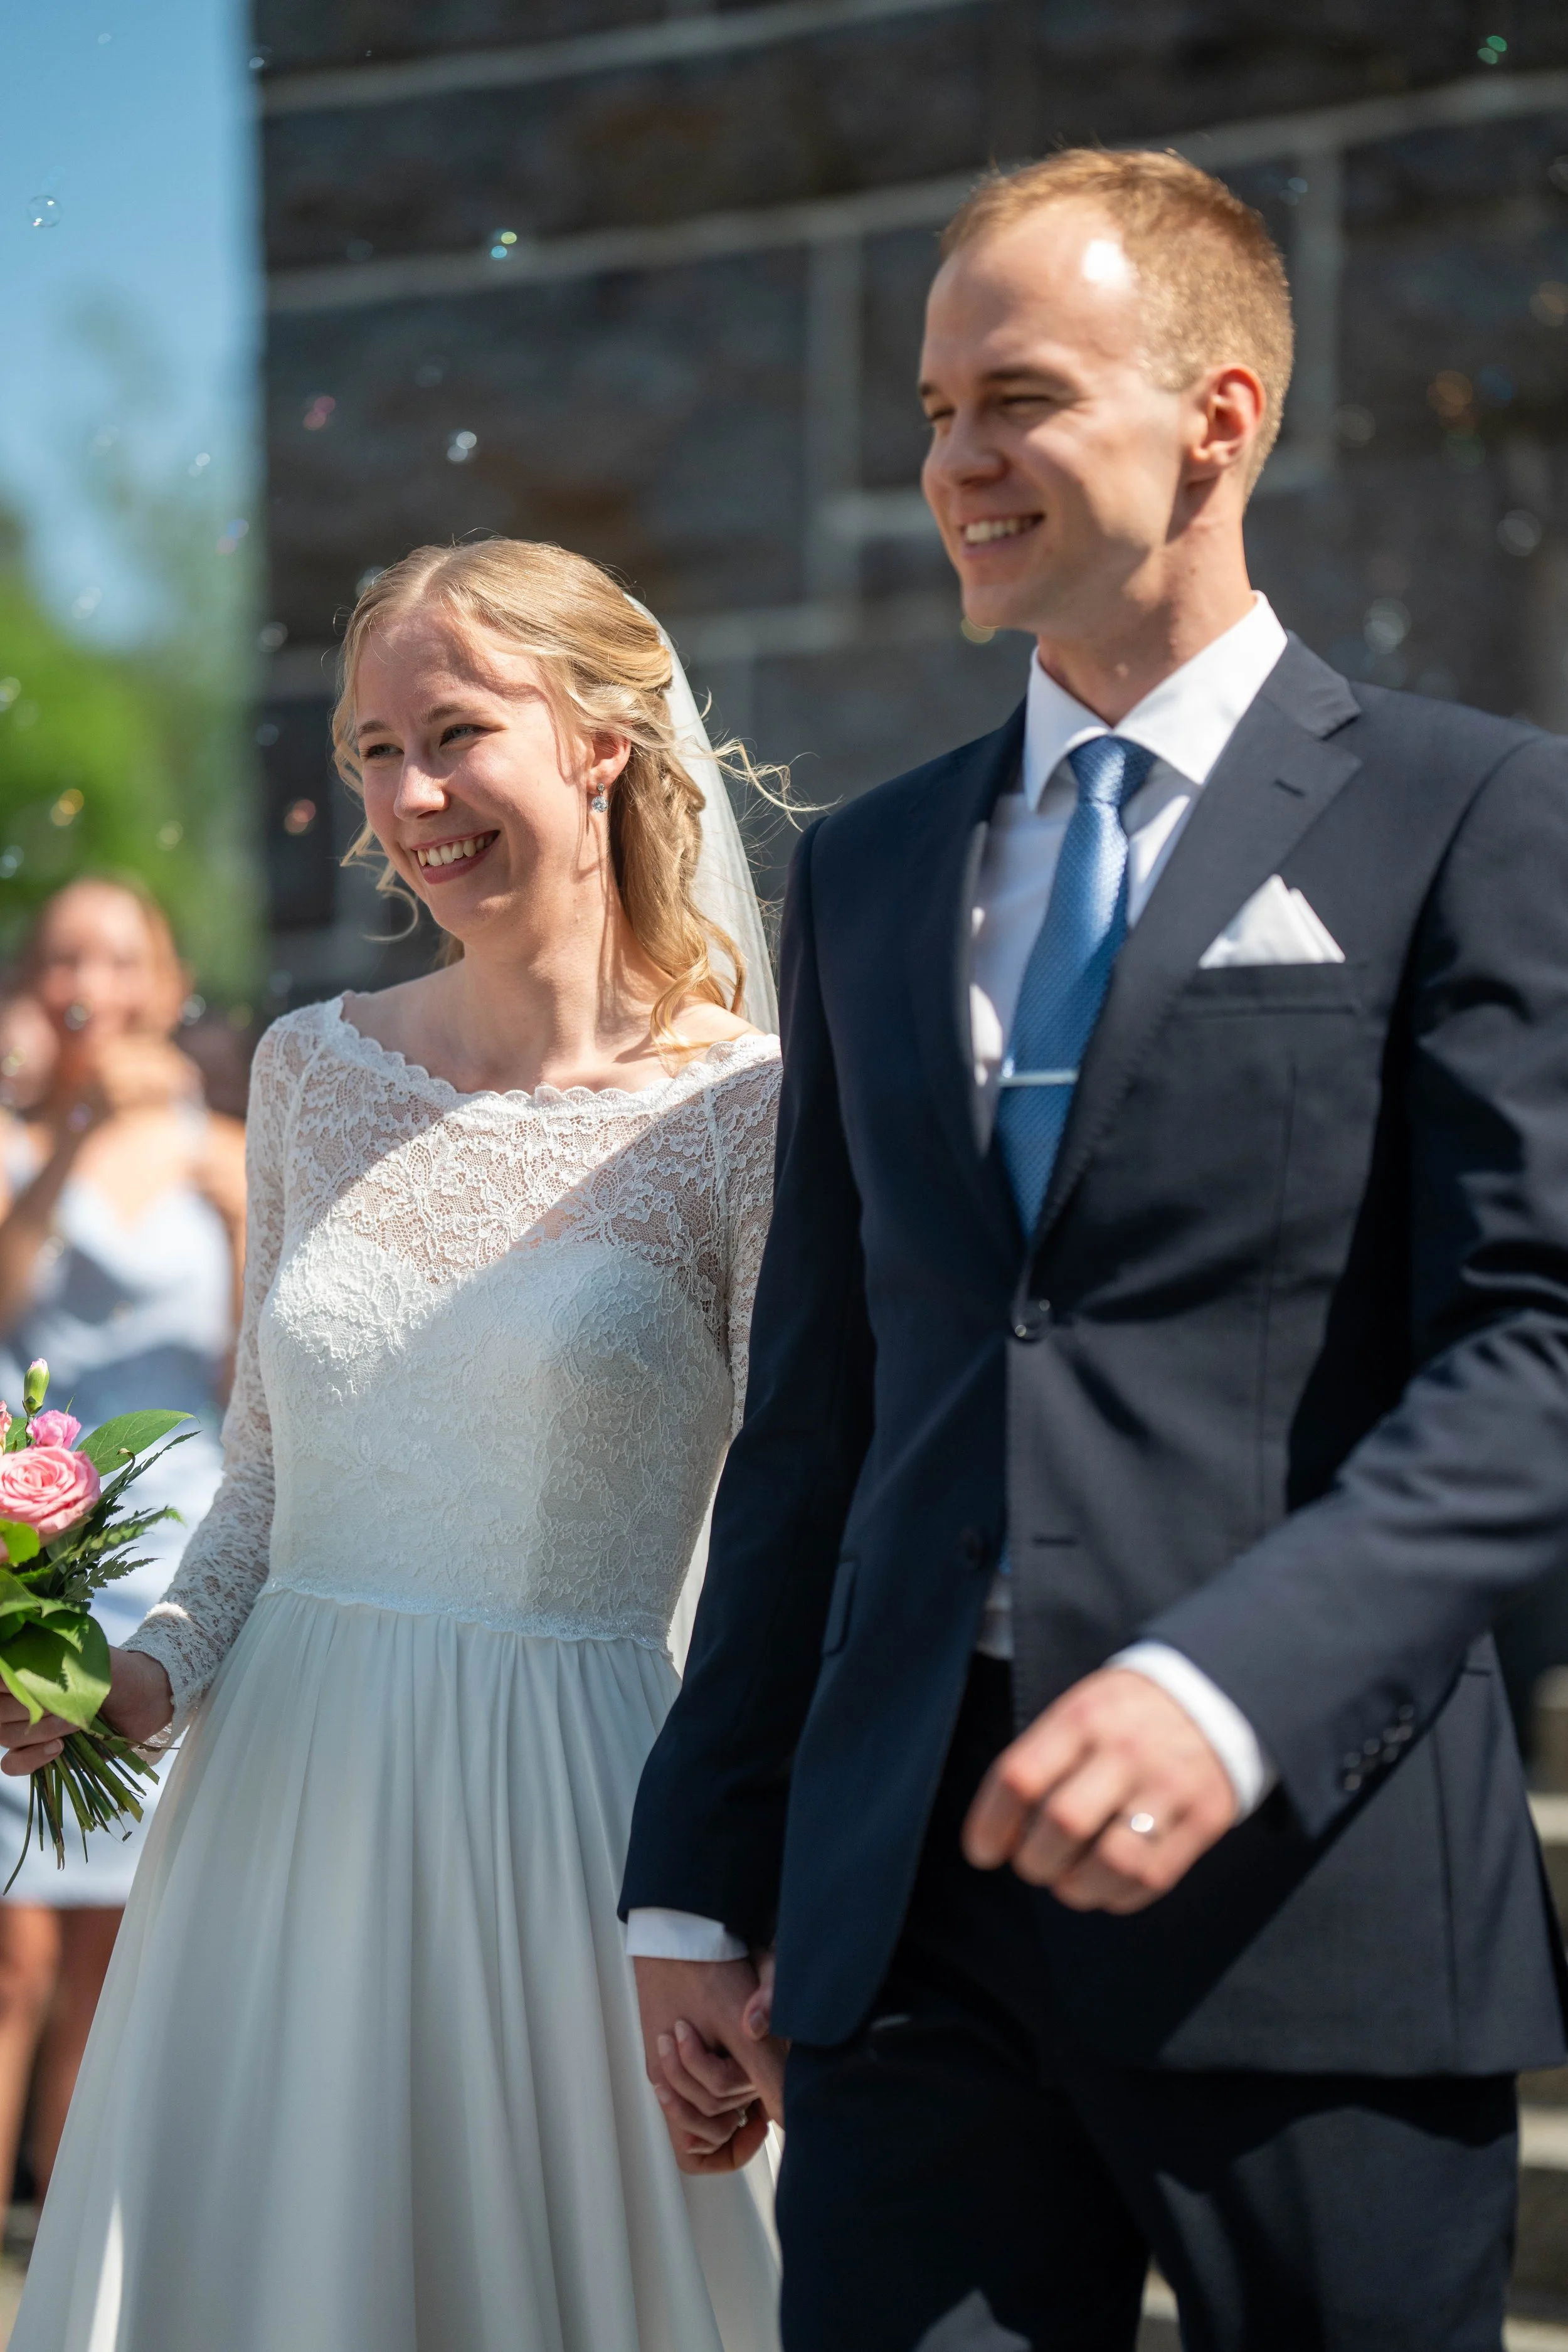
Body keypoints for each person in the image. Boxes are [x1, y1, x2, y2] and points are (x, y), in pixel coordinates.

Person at [622, 147, 1568, 2352]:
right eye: (939, 413)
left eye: (1017, 401)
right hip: (905, 1913)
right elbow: (820, 1412)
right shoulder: (862, 870)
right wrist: (701, 1861)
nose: (957, 463)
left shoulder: (1473, 814)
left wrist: (1228, 1684)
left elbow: (1538, 1349)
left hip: (1312, 1901)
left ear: (1218, 417)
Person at [0, 539, 783, 2352]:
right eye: (371, 746)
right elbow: (265, 1480)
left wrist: (745, 1894)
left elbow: (788, 1536)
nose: (409, 798)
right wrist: (128, 1681)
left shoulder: (742, 1109)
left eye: (455, 730)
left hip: (577, 1840)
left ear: (600, 739)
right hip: (276, 1826)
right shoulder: (303, 1070)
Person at [0, 880, 242, 2203]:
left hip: (174, 1567)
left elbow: (263, 1359)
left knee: (121, 1946)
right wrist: (79, 1135)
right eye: (60, 956)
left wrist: (203, 1155)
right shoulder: (17, 1146)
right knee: (12, 1951)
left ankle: (68, 2235)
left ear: (162, 982)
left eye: (114, 955)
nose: (85, 978)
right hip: (28, 1559)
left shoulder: (222, 1154)